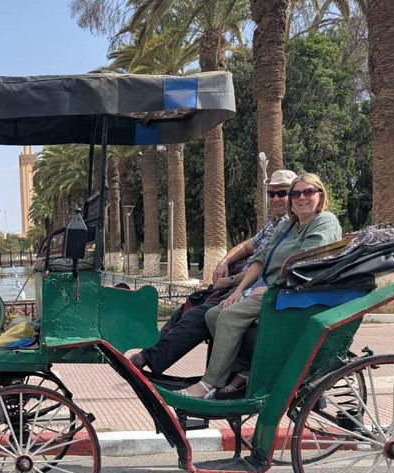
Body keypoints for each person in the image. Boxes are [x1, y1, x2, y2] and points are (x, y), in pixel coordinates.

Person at [180, 171, 343, 399]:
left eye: (308, 191)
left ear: (320, 195)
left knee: (228, 317)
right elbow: (260, 258)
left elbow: (308, 263)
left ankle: (210, 384)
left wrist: (272, 287)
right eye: (296, 193)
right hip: (272, 289)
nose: (301, 197)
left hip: (295, 292)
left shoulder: (324, 221)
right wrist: (237, 291)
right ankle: (246, 369)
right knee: (215, 314)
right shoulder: (287, 226)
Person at [127, 168, 298, 375]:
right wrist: (224, 262)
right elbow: (247, 246)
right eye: (271, 194)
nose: (276, 199)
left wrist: (231, 281)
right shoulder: (275, 225)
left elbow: (266, 267)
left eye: (283, 193)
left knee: (199, 315)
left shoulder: (290, 226)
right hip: (241, 285)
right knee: (185, 309)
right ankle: (149, 355)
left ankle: (146, 360)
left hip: (253, 288)